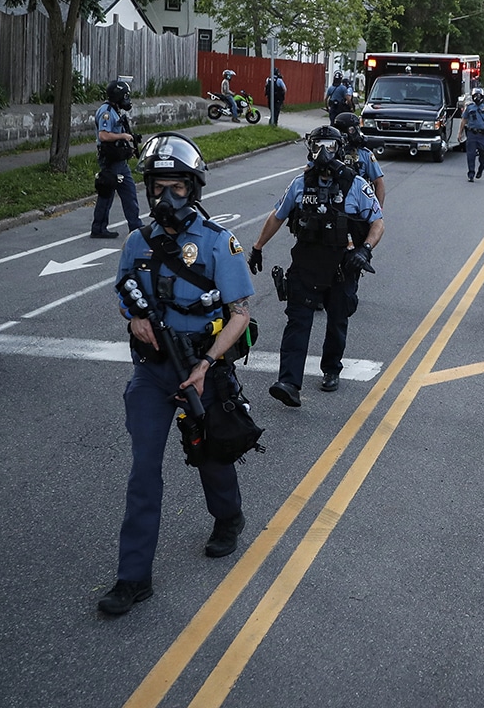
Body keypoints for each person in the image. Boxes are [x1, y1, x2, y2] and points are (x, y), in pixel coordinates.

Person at [98, 132, 253, 616]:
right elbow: (124, 294)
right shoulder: (137, 242)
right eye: (158, 187)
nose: (166, 197)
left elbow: (241, 313)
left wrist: (208, 363)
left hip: (203, 366)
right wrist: (134, 320)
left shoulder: (218, 242)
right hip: (152, 370)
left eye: (177, 187)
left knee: (210, 452)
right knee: (144, 471)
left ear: (194, 188)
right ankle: (133, 577)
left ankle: (228, 517)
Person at [248, 126, 384, 405]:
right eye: (317, 145)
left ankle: (331, 368)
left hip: (342, 265)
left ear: (340, 149)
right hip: (306, 263)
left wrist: (366, 250)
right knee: (298, 320)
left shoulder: (356, 184)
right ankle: (289, 382)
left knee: (337, 319)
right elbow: (278, 215)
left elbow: (377, 222)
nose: (323, 152)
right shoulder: (300, 183)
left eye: (329, 146)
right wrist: (257, 247)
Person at [91, 79, 143, 239]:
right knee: (106, 193)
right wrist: (123, 136)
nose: (127, 99)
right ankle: (98, 228)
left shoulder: (115, 110)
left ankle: (135, 226)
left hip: (119, 160)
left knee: (129, 192)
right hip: (110, 160)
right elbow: (103, 135)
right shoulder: (106, 112)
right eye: (125, 96)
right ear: (118, 96)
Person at [333, 112, 386, 206]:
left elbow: (378, 182)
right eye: (353, 129)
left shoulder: (365, 154)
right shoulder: (331, 152)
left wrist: (378, 207)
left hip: (359, 201)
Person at [461, 88, 484, 182]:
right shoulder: (469, 107)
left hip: (482, 134)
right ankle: (471, 174)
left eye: (479, 96)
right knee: (470, 154)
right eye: (475, 96)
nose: (477, 97)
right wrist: (460, 132)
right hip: (471, 134)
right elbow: (464, 120)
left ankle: (481, 167)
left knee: (483, 154)